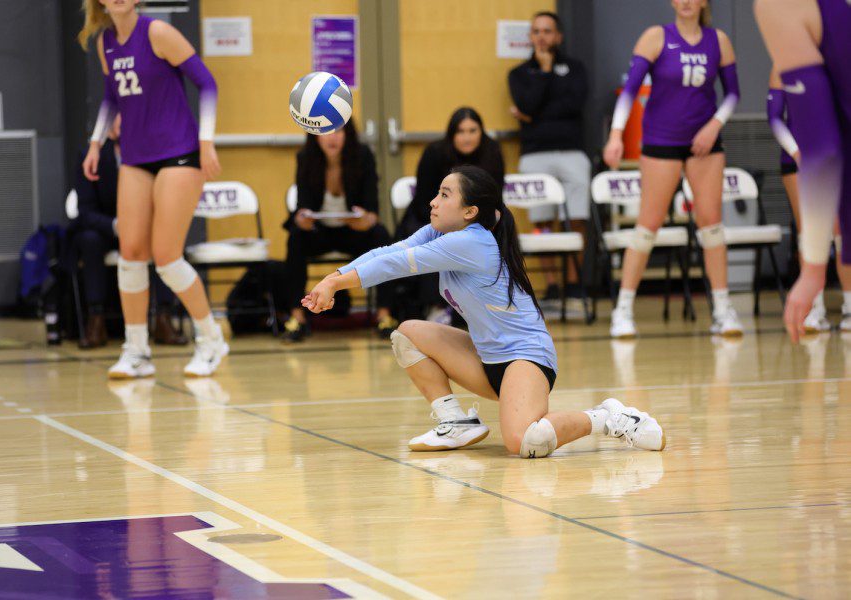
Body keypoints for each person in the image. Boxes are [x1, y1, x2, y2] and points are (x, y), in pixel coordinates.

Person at [303, 165, 666, 458]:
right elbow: (388, 252)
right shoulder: (437, 232)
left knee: (525, 441)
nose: (433, 201)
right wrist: (333, 278)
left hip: (526, 360)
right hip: (486, 359)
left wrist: (335, 285)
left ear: (469, 212)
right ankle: (456, 423)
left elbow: (398, 266)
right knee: (407, 335)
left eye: (444, 195)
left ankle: (610, 419)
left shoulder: (471, 241)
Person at [79, 0, 227, 378]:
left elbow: (207, 82)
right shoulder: (105, 42)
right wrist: (96, 142)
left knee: (166, 257)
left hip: (179, 152)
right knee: (130, 253)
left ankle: (211, 340)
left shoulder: (158, 32)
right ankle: (137, 352)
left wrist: (206, 141)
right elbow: (113, 97)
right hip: (134, 156)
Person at [603, 0, 743, 339]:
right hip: (661, 140)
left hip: (704, 144)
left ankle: (723, 310)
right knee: (647, 225)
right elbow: (631, 91)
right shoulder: (655, 37)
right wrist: (617, 134)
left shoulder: (718, 40)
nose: (686, 2)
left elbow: (733, 94)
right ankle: (622, 310)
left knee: (711, 224)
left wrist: (714, 125)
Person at [754, 0, 851, 342]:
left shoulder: (783, 8)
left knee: (828, 235)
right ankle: (821, 309)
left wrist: (812, 271)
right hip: (796, 158)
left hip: (822, 161)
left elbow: (823, 150)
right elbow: (774, 118)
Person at [70, 115, 188, 349]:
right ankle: (96, 320)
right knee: (89, 240)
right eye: (122, 124)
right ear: (109, 129)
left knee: (166, 242)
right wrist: (116, 225)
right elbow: (84, 211)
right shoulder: (90, 157)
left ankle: (164, 318)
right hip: (107, 229)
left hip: (144, 227)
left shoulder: (154, 156)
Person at [282, 118, 398, 342]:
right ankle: (297, 318)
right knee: (295, 239)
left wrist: (367, 219)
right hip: (320, 232)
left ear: (348, 134)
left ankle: (385, 315)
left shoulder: (363, 156)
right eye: (326, 132)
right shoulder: (305, 157)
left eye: (338, 131)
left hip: (352, 231)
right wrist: (302, 219)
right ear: (315, 135)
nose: (332, 137)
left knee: (381, 236)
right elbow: (302, 207)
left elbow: (373, 210)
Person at [508, 11, 590, 302]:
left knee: (578, 218)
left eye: (547, 31)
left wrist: (534, 114)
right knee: (542, 222)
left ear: (558, 36)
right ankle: (553, 284)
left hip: (572, 152)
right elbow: (526, 102)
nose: (542, 36)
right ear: (530, 37)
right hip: (535, 154)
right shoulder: (518, 74)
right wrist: (544, 74)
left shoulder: (576, 68)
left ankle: (573, 282)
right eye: (536, 31)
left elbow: (574, 105)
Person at [396, 107, 505, 323]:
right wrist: (449, 224)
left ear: (481, 132)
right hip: (431, 216)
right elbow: (423, 200)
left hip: (477, 220)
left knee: (502, 230)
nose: (467, 137)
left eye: (473, 130)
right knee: (433, 238)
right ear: (452, 134)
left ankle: (494, 304)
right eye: (461, 131)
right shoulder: (435, 152)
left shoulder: (492, 152)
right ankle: (435, 305)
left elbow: (495, 197)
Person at [767, 67, 851, 333]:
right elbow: (774, 117)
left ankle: (849, 306)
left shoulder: (839, 57)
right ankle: (814, 309)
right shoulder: (784, 64)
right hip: (798, 159)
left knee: (842, 233)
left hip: (835, 157)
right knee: (811, 232)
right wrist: (796, 152)